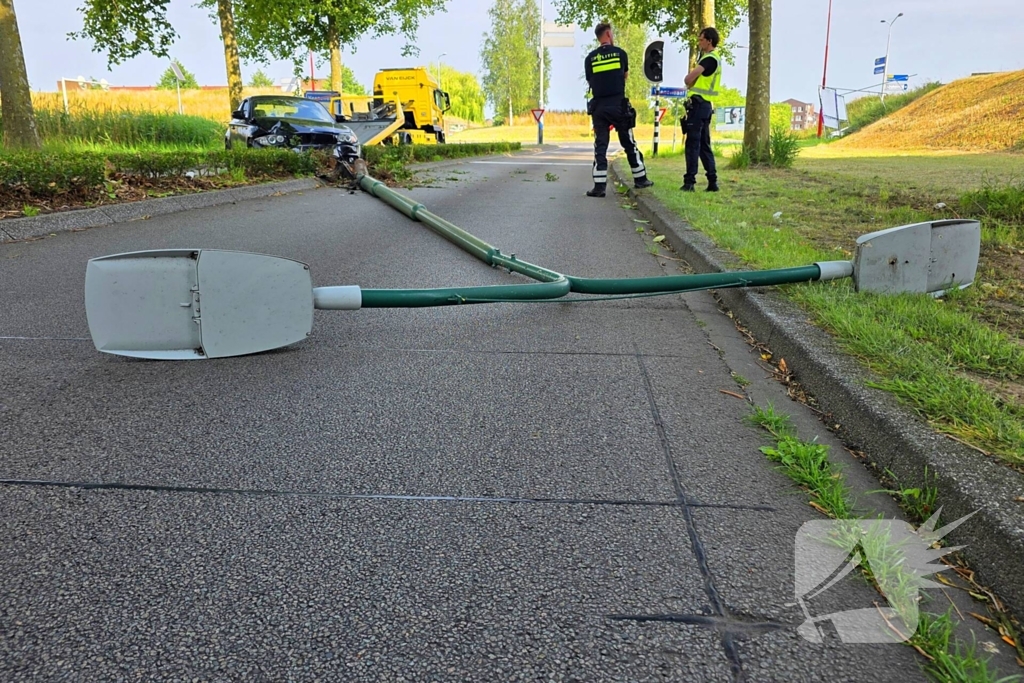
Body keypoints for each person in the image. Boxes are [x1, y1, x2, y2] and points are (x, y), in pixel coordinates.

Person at [583, 22, 653, 198]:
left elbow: (590, 82)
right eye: (612, 33)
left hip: (599, 107)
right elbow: (625, 76)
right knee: (628, 142)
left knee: (601, 145)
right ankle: (640, 178)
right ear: (608, 33)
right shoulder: (620, 54)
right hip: (617, 105)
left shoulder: (590, 58)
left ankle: (599, 187)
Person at [681, 27, 721, 192]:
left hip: (698, 105)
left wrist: (691, 81)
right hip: (706, 106)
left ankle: (689, 182)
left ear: (709, 40)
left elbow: (688, 79)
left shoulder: (708, 59)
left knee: (693, 144)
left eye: (701, 39)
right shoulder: (715, 59)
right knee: (704, 144)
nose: (699, 42)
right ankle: (712, 182)